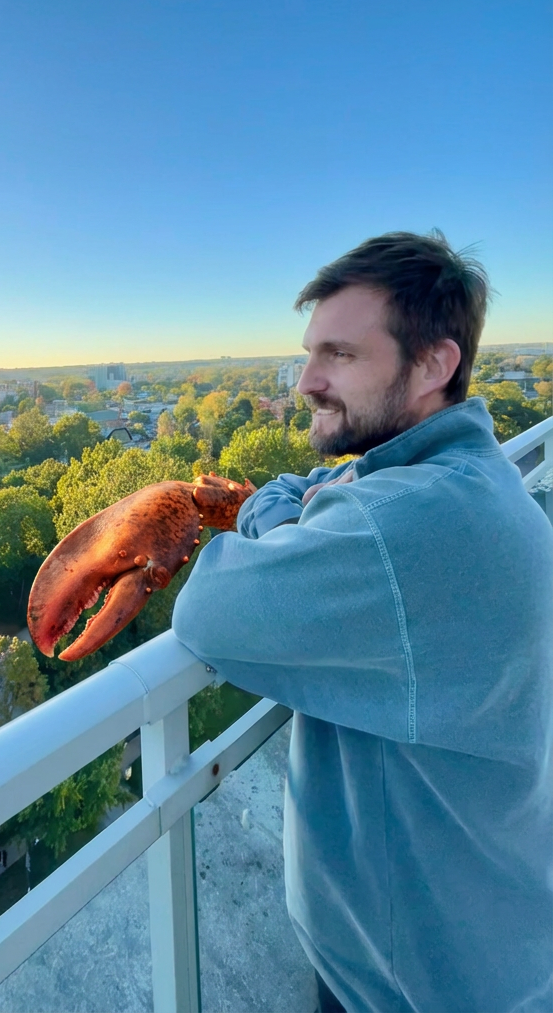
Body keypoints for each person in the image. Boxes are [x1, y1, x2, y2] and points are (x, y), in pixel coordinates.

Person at [172, 231, 553, 1013]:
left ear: (435, 365)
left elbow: (210, 610)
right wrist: (290, 509)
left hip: (419, 983)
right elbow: (313, 486)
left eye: (340, 356)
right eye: (310, 354)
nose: (308, 381)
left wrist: (271, 523)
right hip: (476, 935)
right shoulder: (472, 479)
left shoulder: (406, 522)